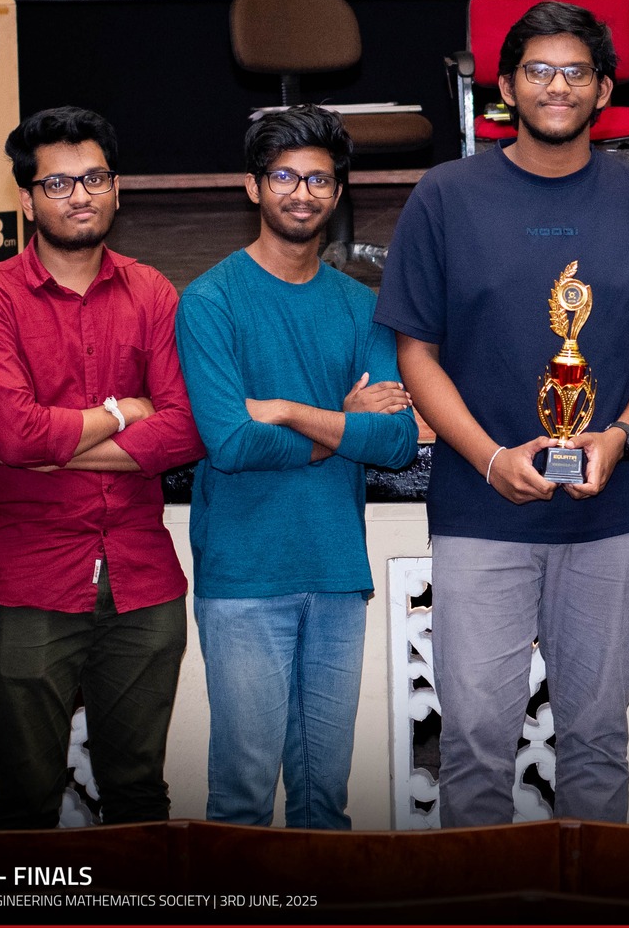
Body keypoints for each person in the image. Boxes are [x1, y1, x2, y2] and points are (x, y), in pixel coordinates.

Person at [375, 0, 629, 826]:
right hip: (481, 510)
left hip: (610, 510)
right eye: (539, 71)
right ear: (506, 88)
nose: (558, 86)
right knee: (474, 747)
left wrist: (620, 437)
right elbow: (416, 354)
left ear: (605, 89)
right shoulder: (445, 196)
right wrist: (488, 458)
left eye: (577, 71)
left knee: (597, 744)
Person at [0, 107, 203, 828]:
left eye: (95, 177)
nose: (80, 195)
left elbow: (186, 429)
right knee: (28, 800)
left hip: (141, 581)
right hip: (29, 580)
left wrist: (53, 443)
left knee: (140, 797)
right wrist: (125, 412)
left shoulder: (153, 292)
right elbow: (15, 435)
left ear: (117, 188)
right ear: (26, 199)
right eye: (57, 183)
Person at [176, 107, 418, 827]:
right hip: (245, 578)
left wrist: (285, 409)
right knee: (242, 800)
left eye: (318, 179)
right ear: (254, 187)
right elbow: (230, 442)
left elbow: (396, 442)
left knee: (325, 805)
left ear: (338, 192)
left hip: (338, 574)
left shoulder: (363, 307)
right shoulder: (209, 301)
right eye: (284, 177)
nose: (302, 193)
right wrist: (343, 422)